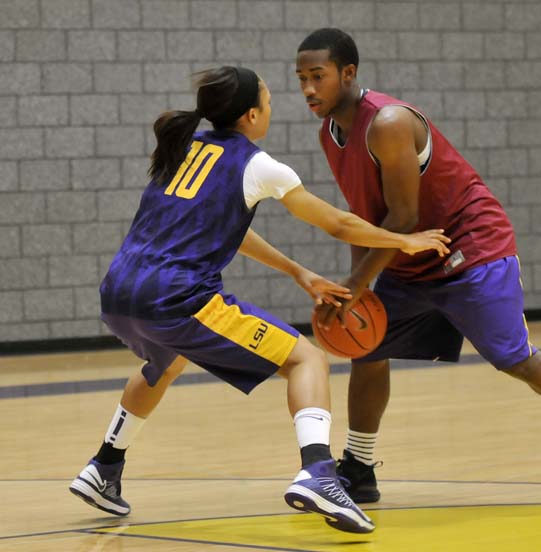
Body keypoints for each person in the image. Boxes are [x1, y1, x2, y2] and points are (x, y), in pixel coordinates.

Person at [68, 65, 452, 534]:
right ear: (252, 115)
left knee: (165, 363)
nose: (271, 110)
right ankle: (319, 473)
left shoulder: (184, 148)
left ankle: (104, 467)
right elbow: (338, 223)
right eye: (269, 103)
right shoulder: (258, 164)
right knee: (307, 359)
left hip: (119, 290)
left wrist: (298, 272)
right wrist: (403, 242)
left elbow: (231, 227)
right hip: (176, 296)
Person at [295, 28, 541, 503]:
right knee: (368, 347)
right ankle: (359, 467)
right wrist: (364, 289)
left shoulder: (389, 122)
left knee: (514, 358)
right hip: (410, 254)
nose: (310, 89)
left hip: (470, 248)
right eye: (302, 79)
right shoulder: (330, 134)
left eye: (318, 76)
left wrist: (358, 282)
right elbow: (366, 219)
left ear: (348, 73)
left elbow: (403, 216)